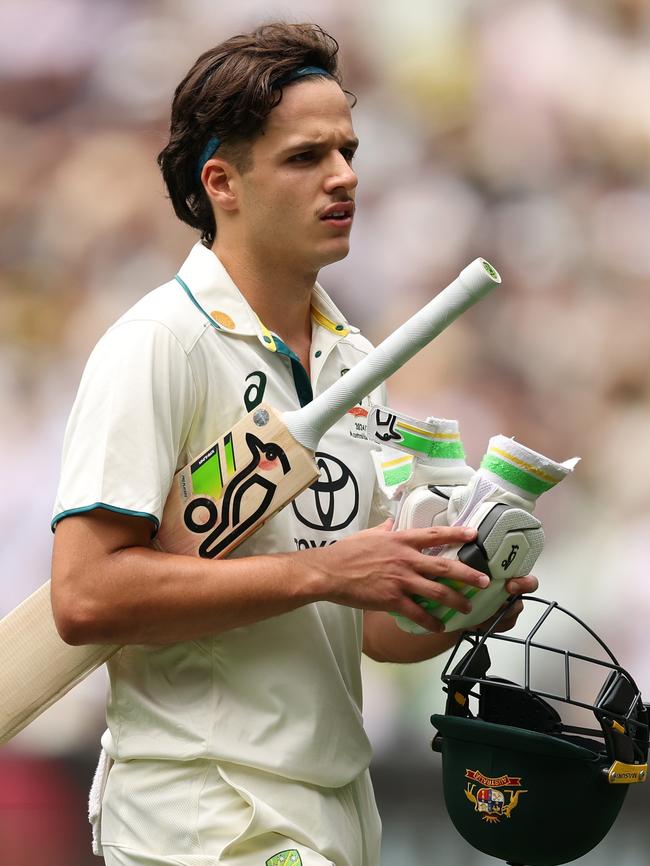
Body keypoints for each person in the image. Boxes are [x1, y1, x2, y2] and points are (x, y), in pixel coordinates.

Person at [50, 22, 537, 866]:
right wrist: (329, 570)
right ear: (222, 182)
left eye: (348, 150)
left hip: (332, 808)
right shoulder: (160, 343)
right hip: (204, 812)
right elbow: (85, 596)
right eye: (307, 157)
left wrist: (459, 602)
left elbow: (373, 631)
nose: (345, 176)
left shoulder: (355, 358)